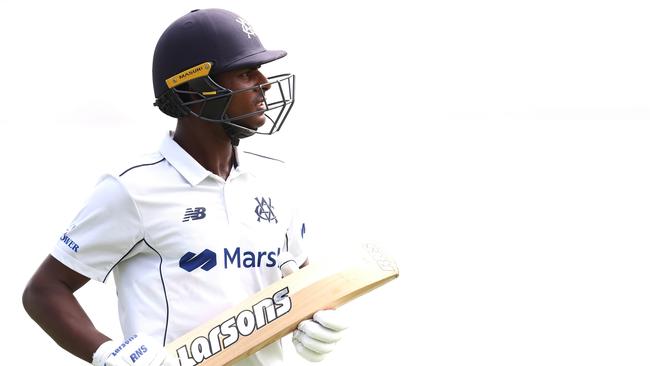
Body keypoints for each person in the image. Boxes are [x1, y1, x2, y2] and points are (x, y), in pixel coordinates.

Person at [22, 8, 346, 366]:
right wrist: (108, 352)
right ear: (194, 90)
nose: (265, 83)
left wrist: (312, 319)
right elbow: (45, 291)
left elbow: (299, 278)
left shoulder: (277, 181)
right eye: (245, 72)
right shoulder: (134, 189)